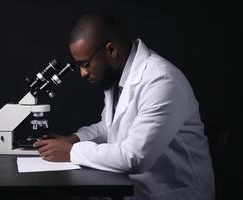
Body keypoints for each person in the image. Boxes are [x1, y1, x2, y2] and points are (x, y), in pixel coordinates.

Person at [33, 14, 215, 200]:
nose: (83, 74)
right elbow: (108, 127)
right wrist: (73, 139)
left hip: (174, 194)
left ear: (111, 50)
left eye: (86, 65)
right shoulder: (118, 76)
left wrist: (71, 152)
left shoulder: (161, 81)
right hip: (132, 189)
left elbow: (135, 157)